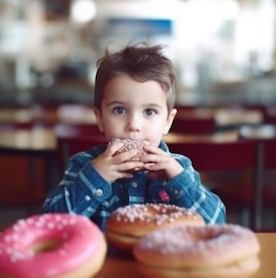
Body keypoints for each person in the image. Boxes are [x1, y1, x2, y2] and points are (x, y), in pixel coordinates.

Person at [41, 42, 226, 231]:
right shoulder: (83, 165)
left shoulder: (179, 169)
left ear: (168, 121)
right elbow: (49, 226)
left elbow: (216, 223)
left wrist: (179, 181)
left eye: (149, 112)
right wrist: (95, 178)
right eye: (119, 110)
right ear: (100, 118)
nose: (134, 125)